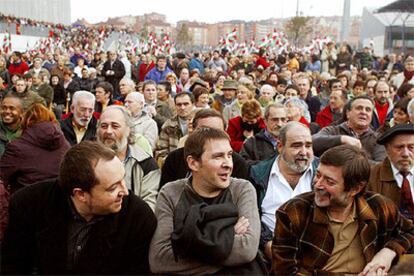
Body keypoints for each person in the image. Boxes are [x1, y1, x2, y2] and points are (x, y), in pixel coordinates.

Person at [1, 141, 157, 274]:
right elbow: (13, 265)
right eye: (112, 188)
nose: (124, 191)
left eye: (123, 179)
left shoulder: (138, 218)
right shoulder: (29, 204)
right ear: (80, 194)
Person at [272, 144, 414, 275]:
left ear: (355, 189)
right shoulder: (293, 212)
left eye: (329, 181)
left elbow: (409, 231)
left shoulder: (378, 206)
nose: (318, 185)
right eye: (318, 175)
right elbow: (284, 272)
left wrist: (387, 253)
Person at [149, 127, 263, 274]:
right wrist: (227, 237)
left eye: (229, 155)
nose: (228, 164)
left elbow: (247, 250)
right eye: (218, 157)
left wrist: (186, 245)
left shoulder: (242, 189)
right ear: (193, 163)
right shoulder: (170, 193)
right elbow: (160, 259)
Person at [250, 122, 319, 260]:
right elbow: (252, 216)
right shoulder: (257, 174)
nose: (304, 152)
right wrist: (267, 244)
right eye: (296, 145)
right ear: (280, 146)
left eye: (308, 145)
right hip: (268, 253)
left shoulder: (324, 171)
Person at [160, 108, 250, 188]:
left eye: (217, 131)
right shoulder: (174, 159)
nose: (211, 136)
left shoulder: (237, 164)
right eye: (204, 131)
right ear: (193, 130)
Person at [97, 105, 160, 210]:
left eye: (115, 126)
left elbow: (149, 206)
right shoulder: (86, 161)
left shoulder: (145, 163)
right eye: (103, 126)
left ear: (128, 130)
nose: (108, 131)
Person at [0, 103, 70, 194]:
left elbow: (1, 177)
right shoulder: (65, 144)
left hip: (26, 202)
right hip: (58, 202)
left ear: (26, 121)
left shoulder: (17, 147)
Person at [312, 96, 386, 162]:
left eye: (368, 110)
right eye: (359, 108)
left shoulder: (378, 139)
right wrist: (342, 139)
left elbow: (380, 166)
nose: (363, 112)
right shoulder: (333, 130)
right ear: (348, 113)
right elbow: (313, 141)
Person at [368, 124, 414, 220]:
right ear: (387, 150)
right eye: (399, 147)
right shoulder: (371, 176)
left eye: (411, 147)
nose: (405, 154)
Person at [155, 92, 194, 161]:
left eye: (186, 104)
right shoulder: (168, 125)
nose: (182, 107)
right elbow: (161, 151)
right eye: (179, 105)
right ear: (175, 106)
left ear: (192, 104)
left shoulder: (201, 123)